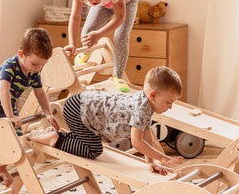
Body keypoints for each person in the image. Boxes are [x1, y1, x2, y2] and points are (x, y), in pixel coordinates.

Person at [29, 66, 183, 175]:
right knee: (94, 149)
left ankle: (55, 135)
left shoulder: (146, 104)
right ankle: (54, 139)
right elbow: (137, 142)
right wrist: (162, 157)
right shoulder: (141, 109)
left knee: (90, 141)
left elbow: (146, 136)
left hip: (82, 108)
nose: (170, 107)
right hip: (78, 111)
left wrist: (150, 162)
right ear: (153, 95)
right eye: (169, 102)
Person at [0, 28, 60, 187]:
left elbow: (39, 92)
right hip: (2, 105)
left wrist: (47, 113)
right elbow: (3, 89)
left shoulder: (33, 72)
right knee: (3, 139)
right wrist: (9, 115)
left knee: (16, 141)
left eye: (42, 65)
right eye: (34, 63)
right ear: (21, 54)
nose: (37, 68)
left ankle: (0, 167)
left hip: (9, 106)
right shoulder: (9, 67)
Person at [65, 0, 138, 93]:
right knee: (87, 32)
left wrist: (98, 34)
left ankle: (118, 76)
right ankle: (86, 52)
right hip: (105, 6)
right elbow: (75, 17)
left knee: (121, 36)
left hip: (127, 2)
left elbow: (120, 17)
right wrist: (72, 43)